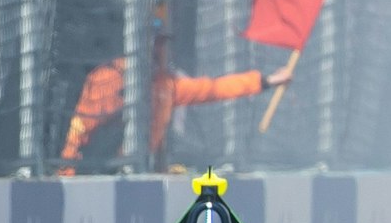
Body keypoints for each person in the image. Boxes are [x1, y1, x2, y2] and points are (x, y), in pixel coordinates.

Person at [57, 54, 293, 176]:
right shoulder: (108, 79)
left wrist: (265, 81)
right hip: (89, 168)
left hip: (129, 170)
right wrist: (68, 173)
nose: (158, 53)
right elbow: (81, 127)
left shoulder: (165, 85)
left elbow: (213, 88)